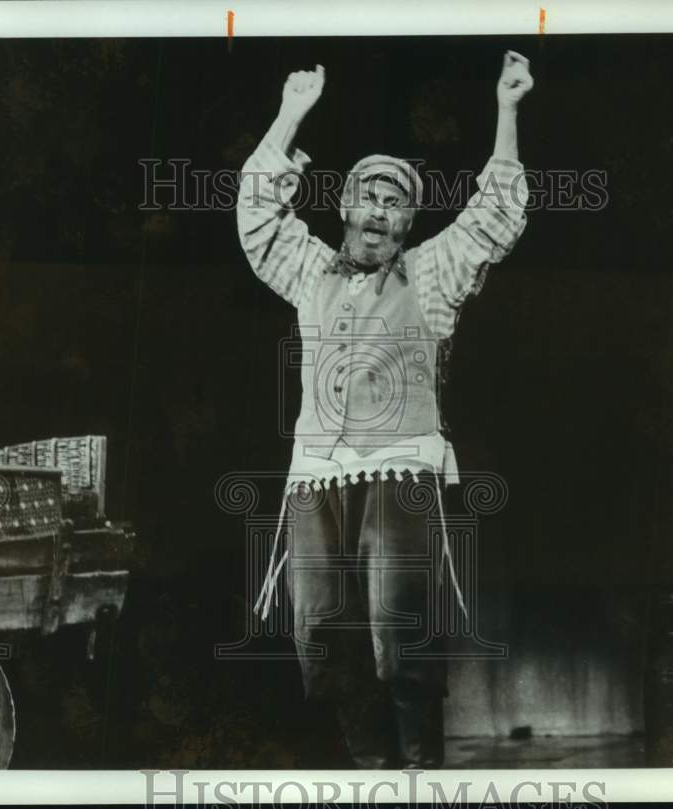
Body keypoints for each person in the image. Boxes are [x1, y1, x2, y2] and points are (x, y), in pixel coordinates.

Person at [236, 50, 533, 768]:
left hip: (399, 474)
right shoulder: (310, 271)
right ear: (344, 207)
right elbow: (257, 215)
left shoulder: (429, 276)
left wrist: (507, 108)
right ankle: (371, 774)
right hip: (315, 480)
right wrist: (291, 112)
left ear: (408, 222)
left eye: (394, 201)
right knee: (321, 642)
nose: (377, 209)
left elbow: (495, 216)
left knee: (401, 635)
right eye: (367, 195)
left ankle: (418, 776)